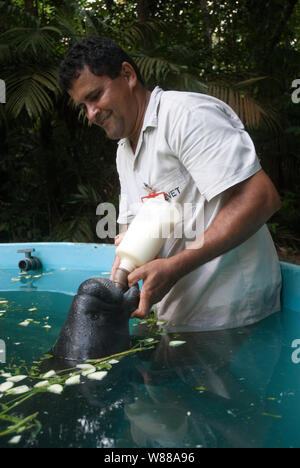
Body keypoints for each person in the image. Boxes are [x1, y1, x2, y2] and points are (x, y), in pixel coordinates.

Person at [58, 36, 282, 332]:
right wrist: (122, 273)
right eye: (83, 105)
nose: (91, 114)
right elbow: (134, 232)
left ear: (128, 75)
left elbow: (261, 198)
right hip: (179, 320)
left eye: (96, 96)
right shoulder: (125, 151)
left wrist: (176, 266)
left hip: (233, 315)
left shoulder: (185, 117)